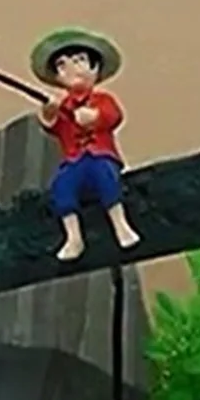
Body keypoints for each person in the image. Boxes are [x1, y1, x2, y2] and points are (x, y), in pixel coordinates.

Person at [30, 27, 141, 261]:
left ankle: (120, 225)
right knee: (62, 185)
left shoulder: (102, 100)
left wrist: (94, 117)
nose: (72, 69)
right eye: (62, 65)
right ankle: (73, 237)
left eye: (79, 61)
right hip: (74, 160)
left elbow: (113, 116)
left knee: (106, 178)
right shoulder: (63, 106)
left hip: (100, 156)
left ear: (95, 67)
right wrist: (49, 113)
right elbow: (54, 127)